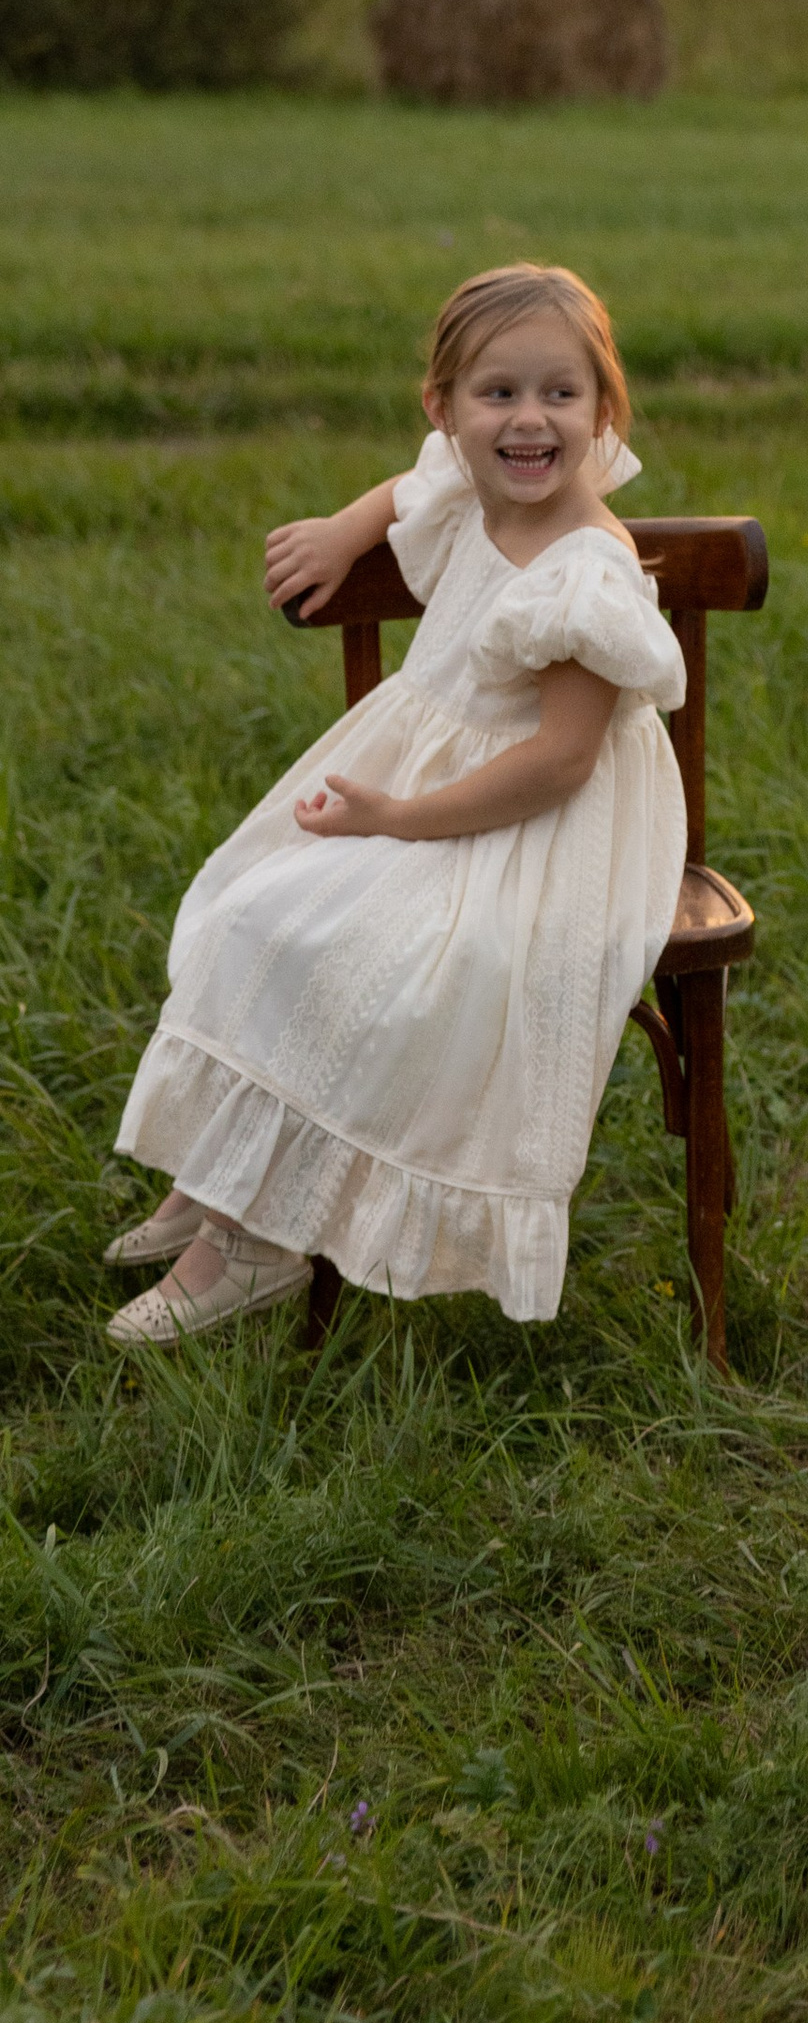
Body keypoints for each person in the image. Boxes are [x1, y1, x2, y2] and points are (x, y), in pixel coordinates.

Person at [103, 264, 688, 1340]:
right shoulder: (472, 488)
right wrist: (342, 526)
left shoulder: (585, 575)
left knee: (365, 951)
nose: (528, 420)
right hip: (429, 786)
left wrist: (394, 820)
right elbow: (411, 490)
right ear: (446, 409)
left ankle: (258, 1238)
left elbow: (560, 763)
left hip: (533, 829)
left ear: (604, 409)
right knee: (253, 903)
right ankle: (230, 1177)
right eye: (496, 394)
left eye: (560, 394)